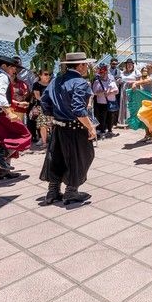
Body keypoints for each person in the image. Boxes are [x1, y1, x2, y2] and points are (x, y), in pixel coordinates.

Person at [40, 53, 98, 205]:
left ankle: (53, 191)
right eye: (85, 64)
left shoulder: (56, 80)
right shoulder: (80, 82)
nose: (87, 67)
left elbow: (44, 102)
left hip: (59, 127)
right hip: (75, 128)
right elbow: (78, 109)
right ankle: (71, 191)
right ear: (80, 66)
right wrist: (90, 127)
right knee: (81, 157)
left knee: (56, 158)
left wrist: (56, 114)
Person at [0, 55, 32, 179]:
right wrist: (9, 112)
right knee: (23, 135)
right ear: (5, 66)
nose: (14, 71)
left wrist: (17, 103)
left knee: (3, 142)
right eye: (12, 68)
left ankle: (3, 171)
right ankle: (0, 157)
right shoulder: (2, 76)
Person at [92, 64, 119, 138]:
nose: (103, 74)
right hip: (101, 102)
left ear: (107, 73)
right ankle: (102, 131)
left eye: (104, 73)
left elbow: (117, 91)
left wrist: (109, 92)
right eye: (101, 73)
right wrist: (102, 92)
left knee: (110, 117)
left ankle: (110, 130)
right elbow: (94, 92)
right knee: (102, 117)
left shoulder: (111, 80)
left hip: (110, 101)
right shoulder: (97, 81)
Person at [31, 70, 52, 148]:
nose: (48, 76)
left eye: (49, 74)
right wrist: (46, 103)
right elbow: (37, 97)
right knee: (43, 125)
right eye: (46, 74)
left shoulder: (51, 84)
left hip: (52, 107)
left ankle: (53, 142)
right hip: (42, 107)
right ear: (40, 75)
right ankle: (44, 143)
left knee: (52, 124)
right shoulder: (36, 84)